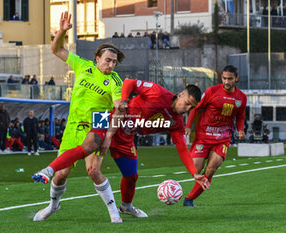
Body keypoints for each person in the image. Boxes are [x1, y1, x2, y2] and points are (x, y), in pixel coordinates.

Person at [33, 80, 210, 218]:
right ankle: (48, 170)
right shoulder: (157, 92)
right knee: (88, 149)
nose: (186, 109)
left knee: (132, 176)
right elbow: (129, 82)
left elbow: (181, 147)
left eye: (191, 107)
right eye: (186, 103)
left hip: (126, 136)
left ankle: (126, 207)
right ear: (180, 95)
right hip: (108, 118)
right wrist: (124, 99)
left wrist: (194, 173)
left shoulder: (176, 122)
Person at [31, 11, 125, 223]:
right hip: (74, 125)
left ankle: (114, 214)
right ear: (97, 59)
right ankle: (53, 206)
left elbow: (118, 107)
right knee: (61, 175)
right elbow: (56, 49)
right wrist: (63, 30)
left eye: (114, 62)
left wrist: (109, 135)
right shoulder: (83, 66)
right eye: (108, 61)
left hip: (98, 122)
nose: (111, 65)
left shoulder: (115, 81)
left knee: (93, 170)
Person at [183, 65, 247, 207]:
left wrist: (240, 130)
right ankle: (181, 194)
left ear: (236, 79)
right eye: (224, 78)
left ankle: (189, 199)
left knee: (211, 169)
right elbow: (196, 109)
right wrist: (188, 126)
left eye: (230, 79)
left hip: (223, 138)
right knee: (195, 169)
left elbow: (241, 116)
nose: (226, 81)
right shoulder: (212, 91)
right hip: (203, 137)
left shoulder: (241, 97)